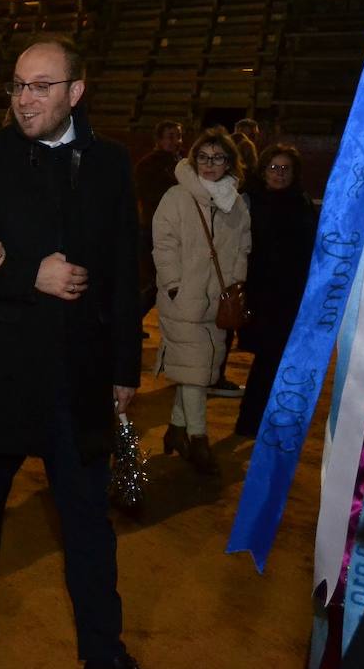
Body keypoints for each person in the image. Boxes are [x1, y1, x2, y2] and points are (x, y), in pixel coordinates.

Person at [0, 36, 184, 669]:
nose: (24, 98)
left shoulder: (108, 163)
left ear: (76, 91)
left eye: (41, 86)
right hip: (2, 368)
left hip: (79, 377)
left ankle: (103, 659)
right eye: (18, 85)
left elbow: (124, 268)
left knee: (88, 523)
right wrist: (26, 273)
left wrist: (125, 367)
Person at [152, 126, 252, 475]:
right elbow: (162, 245)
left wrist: (234, 284)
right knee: (196, 375)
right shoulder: (177, 197)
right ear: (194, 160)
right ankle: (198, 439)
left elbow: (243, 245)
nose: (211, 165)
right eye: (204, 158)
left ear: (229, 162)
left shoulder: (235, 202)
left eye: (218, 158)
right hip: (184, 299)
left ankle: (176, 431)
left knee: (197, 368)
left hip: (218, 303)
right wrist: (174, 285)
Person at [235, 145, 317, 437]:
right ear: (263, 170)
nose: (279, 174)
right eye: (274, 168)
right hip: (260, 292)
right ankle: (250, 421)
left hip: (291, 294)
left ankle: (261, 419)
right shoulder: (251, 200)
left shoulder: (301, 201)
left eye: (286, 169)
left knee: (281, 358)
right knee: (268, 358)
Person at [133, 120, 183, 317]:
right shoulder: (148, 164)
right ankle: (133, 318)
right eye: (170, 136)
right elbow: (147, 194)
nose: (176, 141)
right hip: (155, 228)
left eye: (178, 136)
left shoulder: (181, 162)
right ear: (159, 139)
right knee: (154, 280)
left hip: (176, 229)